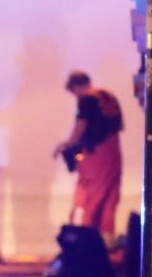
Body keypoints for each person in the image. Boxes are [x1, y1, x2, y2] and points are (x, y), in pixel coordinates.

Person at [51, 71, 125, 234]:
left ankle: (84, 241)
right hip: (114, 154)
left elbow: (80, 129)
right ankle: (105, 244)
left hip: (96, 156)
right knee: (108, 201)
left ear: (76, 87)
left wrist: (66, 145)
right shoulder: (108, 96)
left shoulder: (87, 100)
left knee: (88, 200)